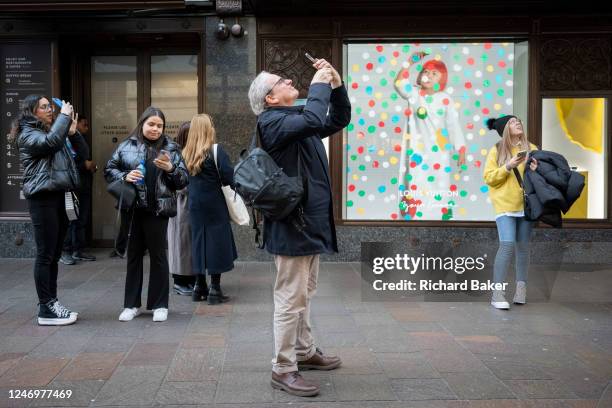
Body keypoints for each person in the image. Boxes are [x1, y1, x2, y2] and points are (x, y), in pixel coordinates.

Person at [248, 58, 350, 397]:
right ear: (270, 99)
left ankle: (304, 352)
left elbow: (338, 118)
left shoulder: (294, 120)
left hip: (307, 223)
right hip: (292, 225)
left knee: (304, 293)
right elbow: (313, 116)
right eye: (281, 81)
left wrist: (335, 84)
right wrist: (319, 82)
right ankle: (283, 368)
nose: (290, 80)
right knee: (290, 298)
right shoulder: (273, 123)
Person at [104, 107, 188, 322]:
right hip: (133, 210)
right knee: (133, 257)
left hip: (158, 210)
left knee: (159, 256)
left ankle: (160, 304)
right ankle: (131, 305)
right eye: (151, 124)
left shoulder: (171, 148)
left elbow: (183, 180)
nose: (155, 129)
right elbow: (109, 170)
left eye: (159, 125)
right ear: (142, 124)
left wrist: (171, 169)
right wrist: (125, 175)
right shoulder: (127, 146)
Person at [10, 95, 80, 325]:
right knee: (45, 254)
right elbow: (49, 143)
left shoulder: (52, 131)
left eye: (50, 106)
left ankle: (52, 302)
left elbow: (75, 154)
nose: (50, 109)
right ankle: (45, 308)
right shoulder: (27, 134)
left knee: (54, 254)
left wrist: (71, 131)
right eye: (44, 107)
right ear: (31, 111)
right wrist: (64, 116)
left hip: (59, 195)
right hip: (42, 199)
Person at [394, 51, 466, 220]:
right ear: (420, 76)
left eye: (434, 73)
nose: (429, 75)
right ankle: (412, 224)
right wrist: (409, 62)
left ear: (442, 79)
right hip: (415, 154)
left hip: (438, 154)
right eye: (426, 72)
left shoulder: (445, 98)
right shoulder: (413, 93)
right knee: (414, 187)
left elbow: (453, 126)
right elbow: (398, 83)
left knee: (438, 189)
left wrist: (461, 150)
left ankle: (439, 225)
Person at [483, 115, 538, 309]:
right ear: (506, 128)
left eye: (519, 121)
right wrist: (508, 166)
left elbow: (540, 179)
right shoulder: (497, 150)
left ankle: (521, 290)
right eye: (513, 122)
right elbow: (489, 178)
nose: (518, 123)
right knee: (507, 246)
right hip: (505, 206)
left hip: (527, 205)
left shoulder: (532, 149)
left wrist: (535, 169)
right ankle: (497, 294)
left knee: (523, 248)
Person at [182, 114, 236, 304]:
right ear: (208, 129)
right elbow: (230, 177)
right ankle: (215, 288)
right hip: (214, 203)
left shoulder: (186, 153)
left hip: (195, 205)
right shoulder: (215, 151)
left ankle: (199, 286)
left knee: (198, 243)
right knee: (216, 243)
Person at [60, 115, 97, 265]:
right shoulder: (65, 140)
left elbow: (84, 157)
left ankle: (78, 250)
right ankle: (65, 251)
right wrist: (85, 165)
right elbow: (68, 163)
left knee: (82, 219)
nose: (87, 127)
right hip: (71, 187)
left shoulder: (81, 139)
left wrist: (90, 166)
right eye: (84, 124)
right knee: (71, 219)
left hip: (84, 185)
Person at [168, 122, 197, 295]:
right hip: (180, 203)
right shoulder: (175, 153)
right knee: (180, 242)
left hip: (190, 203)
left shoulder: (194, 152)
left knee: (189, 242)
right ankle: (179, 280)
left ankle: (191, 279)